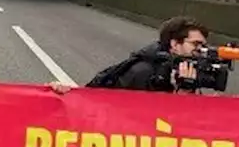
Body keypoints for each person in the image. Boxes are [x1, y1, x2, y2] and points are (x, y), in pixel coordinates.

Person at [65, 16, 208, 94]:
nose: (201, 51)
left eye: (204, 46)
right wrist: (182, 93)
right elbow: (151, 121)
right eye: (196, 44)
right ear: (175, 44)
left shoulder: (185, 72)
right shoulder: (143, 73)